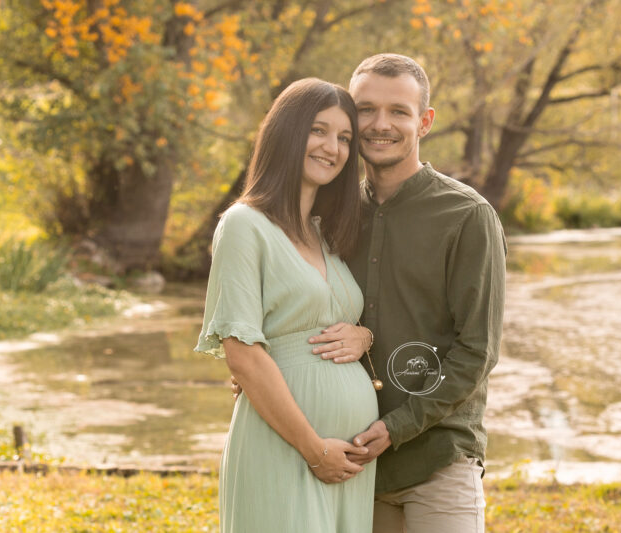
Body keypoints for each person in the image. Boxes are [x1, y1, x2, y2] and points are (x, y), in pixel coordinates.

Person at [307, 54, 507, 532]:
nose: (381, 124)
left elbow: (477, 351)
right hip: (349, 459)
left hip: (437, 458)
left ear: (425, 121)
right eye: (366, 109)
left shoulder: (467, 217)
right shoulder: (327, 214)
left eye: (398, 111)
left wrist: (395, 428)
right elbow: (299, 314)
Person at [195, 77, 380, 533]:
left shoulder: (325, 234)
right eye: (318, 130)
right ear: (287, 132)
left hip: (346, 465)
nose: (332, 148)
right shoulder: (244, 225)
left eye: (344, 138)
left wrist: (365, 333)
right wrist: (315, 450)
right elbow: (243, 353)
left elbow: (336, 317)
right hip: (287, 448)